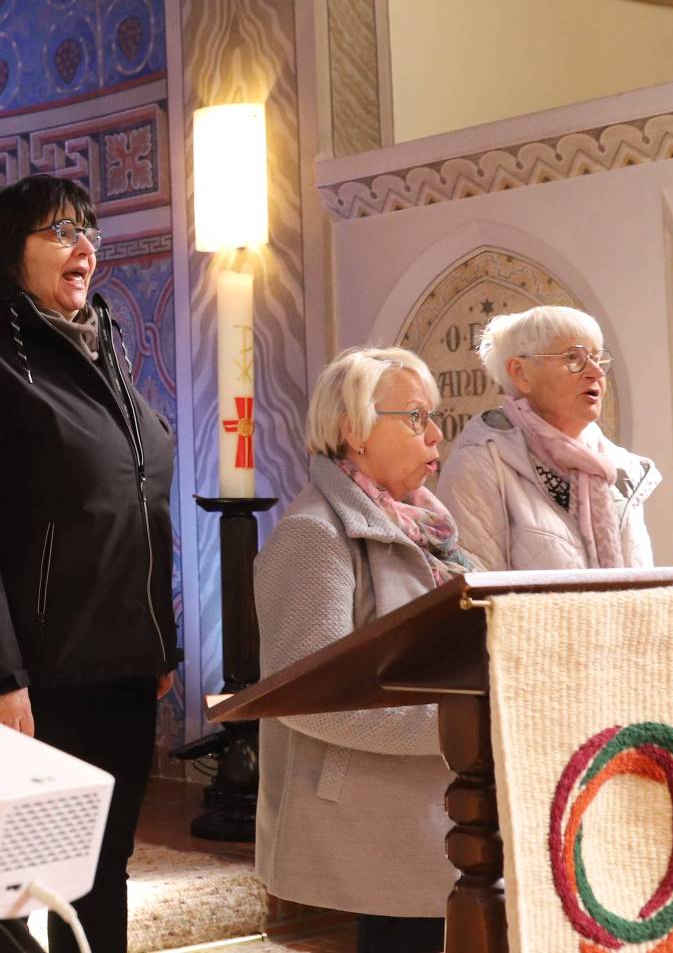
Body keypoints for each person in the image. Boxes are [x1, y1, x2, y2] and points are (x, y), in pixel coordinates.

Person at [0, 174, 178, 953]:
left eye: (88, 230)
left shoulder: (104, 344)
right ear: (5, 251)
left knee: (103, 869)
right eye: (60, 230)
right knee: (12, 883)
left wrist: (159, 641)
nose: (84, 246)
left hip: (121, 664)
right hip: (38, 673)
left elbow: (136, 498)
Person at [254, 347, 477, 953]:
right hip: (376, 821)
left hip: (449, 809)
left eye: (433, 417)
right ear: (353, 431)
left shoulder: (432, 532)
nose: (434, 434)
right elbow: (314, 698)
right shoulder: (313, 537)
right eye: (414, 417)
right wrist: (461, 727)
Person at [437, 305, 658, 570]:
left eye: (598, 359)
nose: (596, 372)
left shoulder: (619, 469)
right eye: (574, 358)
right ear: (520, 373)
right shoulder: (480, 462)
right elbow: (477, 596)